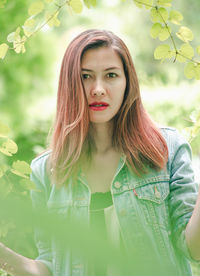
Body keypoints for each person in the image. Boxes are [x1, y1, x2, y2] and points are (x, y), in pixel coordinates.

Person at [1, 29, 200, 276]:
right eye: (85, 76)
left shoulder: (167, 150)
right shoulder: (46, 171)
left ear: (128, 82)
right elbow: (51, 266)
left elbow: (194, 250)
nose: (97, 89)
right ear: (69, 84)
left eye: (111, 75)